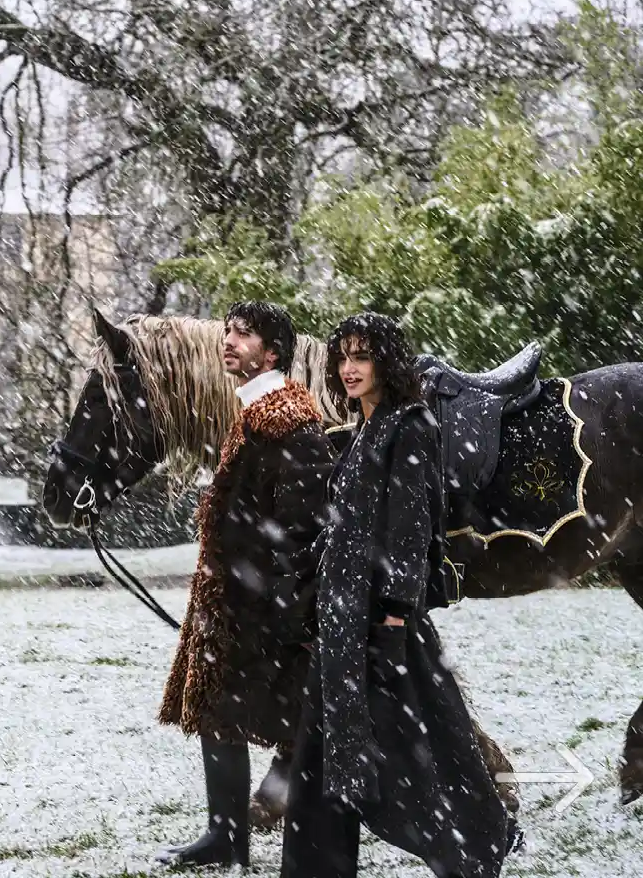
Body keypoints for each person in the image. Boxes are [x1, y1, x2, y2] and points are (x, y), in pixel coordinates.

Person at [281, 311, 509, 878]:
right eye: (344, 357)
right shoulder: (364, 427)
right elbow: (351, 526)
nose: (350, 368)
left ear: (386, 362)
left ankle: (470, 849)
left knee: (419, 752)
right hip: (340, 620)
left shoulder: (409, 426)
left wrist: (392, 620)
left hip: (381, 622)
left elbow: (409, 532)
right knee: (318, 755)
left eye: (363, 356)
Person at [156, 300, 336, 868]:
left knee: (289, 719)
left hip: (258, 605)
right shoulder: (255, 411)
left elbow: (303, 525)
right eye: (228, 331)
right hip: (235, 598)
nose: (229, 341)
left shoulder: (286, 422)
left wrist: (280, 608)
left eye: (245, 335)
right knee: (218, 715)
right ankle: (226, 836)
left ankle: (466, 820)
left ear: (274, 352)